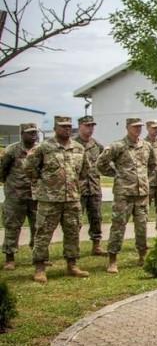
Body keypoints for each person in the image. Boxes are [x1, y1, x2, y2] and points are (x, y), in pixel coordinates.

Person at [24, 116, 91, 283]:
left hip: (72, 199)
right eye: (63, 126)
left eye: (69, 126)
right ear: (55, 128)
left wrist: (74, 186)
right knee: (43, 234)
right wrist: (46, 183)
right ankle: (40, 267)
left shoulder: (78, 148)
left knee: (73, 232)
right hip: (49, 199)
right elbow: (30, 168)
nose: (67, 129)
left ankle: (72, 264)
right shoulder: (43, 148)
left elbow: (84, 171)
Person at [97, 118, 156, 273]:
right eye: (135, 127)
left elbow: (152, 165)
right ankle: (112, 260)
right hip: (124, 194)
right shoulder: (118, 146)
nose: (138, 129)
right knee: (118, 226)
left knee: (142, 227)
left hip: (142, 194)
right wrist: (117, 175)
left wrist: (142, 179)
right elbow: (101, 164)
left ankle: (142, 256)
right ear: (127, 127)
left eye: (140, 127)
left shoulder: (147, 146)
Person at [1, 123, 39, 270]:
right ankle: (10, 258)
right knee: (12, 226)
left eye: (35, 132)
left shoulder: (40, 150)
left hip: (35, 195)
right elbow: (2, 170)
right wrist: (11, 185)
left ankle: (38, 256)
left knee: (38, 226)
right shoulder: (11, 150)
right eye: (30, 133)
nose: (33, 135)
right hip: (15, 195)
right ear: (22, 134)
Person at [75, 115, 105, 256]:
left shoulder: (97, 146)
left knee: (96, 217)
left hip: (94, 187)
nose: (90, 129)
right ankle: (74, 247)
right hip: (77, 189)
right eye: (87, 126)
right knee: (75, 220)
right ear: (80, 126)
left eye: (92, 126)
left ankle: (96, 245)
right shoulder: (72, 144)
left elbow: (104, 163)